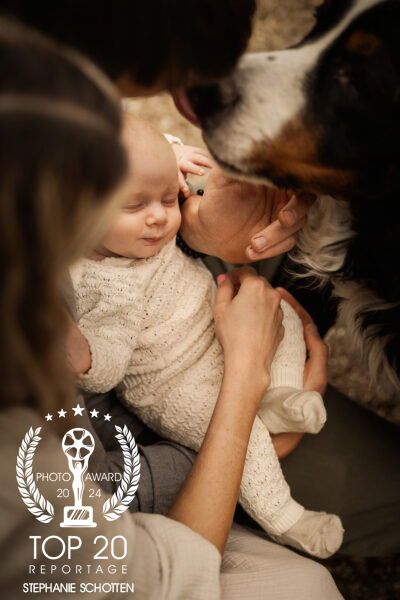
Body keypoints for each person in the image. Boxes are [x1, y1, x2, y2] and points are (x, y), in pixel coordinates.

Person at [8, 0, 396, 561]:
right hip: (166, 430)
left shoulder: (51, 88)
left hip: (187, 307)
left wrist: (195, 228)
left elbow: (133, 187)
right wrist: (246, 420)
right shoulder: (25, 337)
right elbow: (106, 506)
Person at [68, 114, 342, 558]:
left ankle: (283, 395)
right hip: (176, 386)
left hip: (213, 325)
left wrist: (168, 162)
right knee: (249, 440)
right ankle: (288, 518)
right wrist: (86, 356)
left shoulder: (128, 229)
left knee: (284, 315)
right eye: (135, 206)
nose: (160, 217)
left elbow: (134, 142)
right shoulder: (101, 283)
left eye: (166, 199)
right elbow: (108, 363)